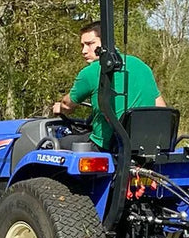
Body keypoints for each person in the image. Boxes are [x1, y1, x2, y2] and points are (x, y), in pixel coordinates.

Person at [50, 20, 165, 151]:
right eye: (82, 45)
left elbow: (67, 104)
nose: (84, 50)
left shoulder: (91, 72)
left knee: (51, 145)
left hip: (109, 145)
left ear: (105, 43)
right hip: (146, 145)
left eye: (90, 44)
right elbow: (161, 107)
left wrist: (60, 107)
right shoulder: (141, 66)